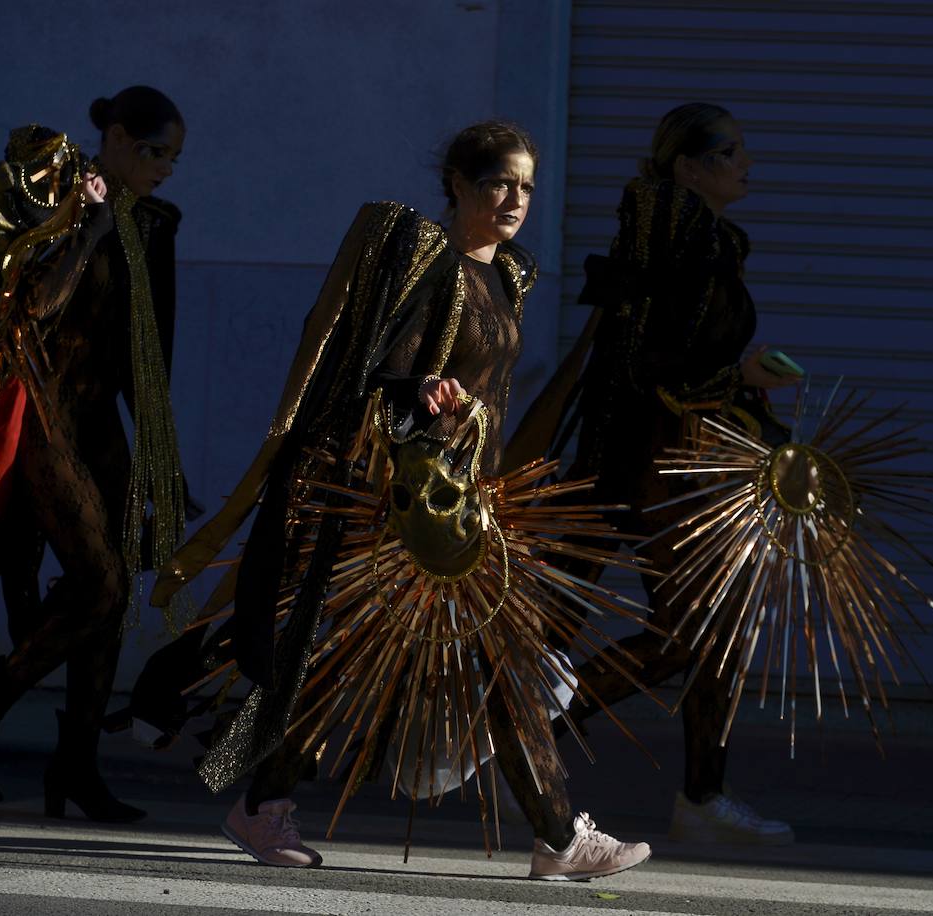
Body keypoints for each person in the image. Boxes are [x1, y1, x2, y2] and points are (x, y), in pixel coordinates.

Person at [143, 121, 650, 881]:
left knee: (428, 667)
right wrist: (421, 395)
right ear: (457, 183)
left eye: (525, 187)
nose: (515, 199)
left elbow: (497, 397)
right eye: (498, 183)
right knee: (407, 666)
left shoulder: (505, 275)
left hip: (460, 512)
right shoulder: (432, 268)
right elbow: (375, 379)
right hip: (403, 514)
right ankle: (553, 837)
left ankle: (269, 806)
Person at [511, 102, 798, 845]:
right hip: (654, 463)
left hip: (650, 455)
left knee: (703, 626)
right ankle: (537, 731)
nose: (747, 165)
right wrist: (743, 377)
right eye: (731, 152)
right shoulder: (689, 239)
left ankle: (701, 793)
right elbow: (658, 367)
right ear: (689, 166)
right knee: (698, 627)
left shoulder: (667, 230)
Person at [0, 86, 189, 822]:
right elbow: (33, 307)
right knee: (98, 587)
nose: (165, 169)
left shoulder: (159, 225)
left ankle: (72, 767)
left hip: (100, 419)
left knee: (109, 600)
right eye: (154, 152)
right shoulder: (55, 200)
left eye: (172, 157)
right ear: (118, 141)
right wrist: (93, 225)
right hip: (40, 416)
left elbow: (148, 357)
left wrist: (165, 464)